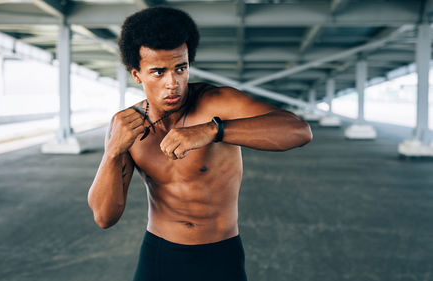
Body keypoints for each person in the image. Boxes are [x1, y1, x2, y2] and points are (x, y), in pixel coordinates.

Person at [87, 6, 312, 281]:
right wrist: (112, 153)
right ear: (137, 74)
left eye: (180, 68)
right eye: (158, 72)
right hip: (159, 254)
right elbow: (104, 217)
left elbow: (298, 130)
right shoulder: (126, 126)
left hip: (219, 256)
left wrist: (213, 131)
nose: (173, 83)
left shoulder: (217, 103)